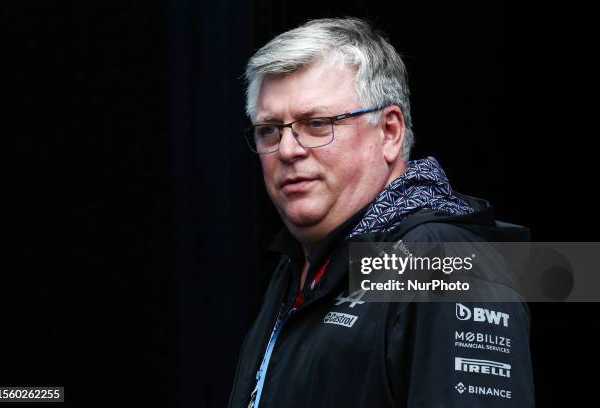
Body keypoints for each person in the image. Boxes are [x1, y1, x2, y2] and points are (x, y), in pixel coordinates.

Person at [229, 17, 535, 407]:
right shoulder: (300, 266)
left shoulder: (443, 261)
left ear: (389, 132)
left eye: (318, 124)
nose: (288, 150)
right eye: (270, 129)